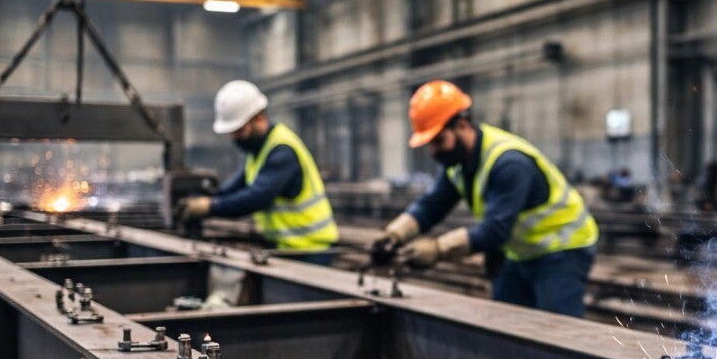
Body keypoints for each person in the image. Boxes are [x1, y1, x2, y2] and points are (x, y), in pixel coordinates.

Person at [374, 80, 599, 317]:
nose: (433, 151)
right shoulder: (458, 164)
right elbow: (433, 204)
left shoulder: (508, 163)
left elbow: (495, 230)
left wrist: (438, 249)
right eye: (430, 144)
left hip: (562, 250)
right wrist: (394, 234)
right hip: (520, 251)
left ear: (461, 126)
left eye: (438, 141)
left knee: (559, 331)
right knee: (504, 322)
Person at [177, 80, 338, 264]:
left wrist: (210, 206)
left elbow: (256, 197)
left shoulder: (282, 151)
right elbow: (238, 185)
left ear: (259, 119)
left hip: (311, 249)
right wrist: (207, 197)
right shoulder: (259, 151)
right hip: (288, 247)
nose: (234, 137)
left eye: (239, 130)